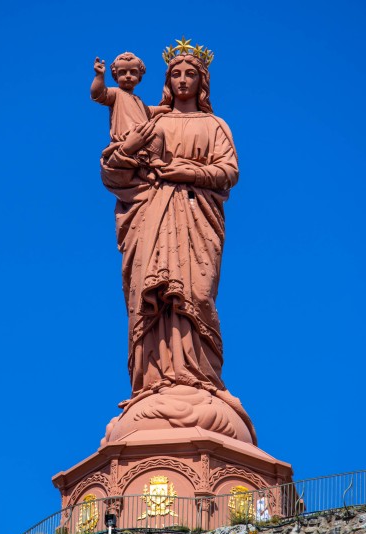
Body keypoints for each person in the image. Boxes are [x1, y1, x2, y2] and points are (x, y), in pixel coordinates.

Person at [100, 48, 247, 415]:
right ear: (167, 81)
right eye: (176, 74)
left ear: (202, 82)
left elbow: (228, 172)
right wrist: (126, 153)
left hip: (197, 215)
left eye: (190, 74)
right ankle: (153, 379)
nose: (182, 80)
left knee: (195, 292)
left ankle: (200, 375)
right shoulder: (153, 122)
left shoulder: (215, 125)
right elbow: (116, 171)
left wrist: (184, 171)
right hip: (152, 214)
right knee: (154, 293)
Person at [91, 52, 170, 148]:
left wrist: (166, 108)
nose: (128, 75)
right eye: (123, 72)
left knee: (158, 132)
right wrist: (99, 76)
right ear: (116, 76)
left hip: (144, 136)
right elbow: (98, 94)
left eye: (133, 72)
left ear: (139, 75)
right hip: (127, 137)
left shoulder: (138, 100)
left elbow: (149, 111)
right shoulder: (116, 93)